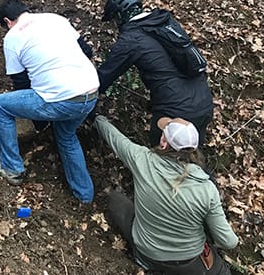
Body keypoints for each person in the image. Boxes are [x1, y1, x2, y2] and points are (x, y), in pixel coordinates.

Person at [0, 0, 100, 203]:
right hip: (91, 92)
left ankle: (12, 169)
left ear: (7, 21)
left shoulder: (12, 37)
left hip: (61, 99)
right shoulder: (55, 19)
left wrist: (38, 121)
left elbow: (21, 83)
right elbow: (87, 51)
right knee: (66, 136)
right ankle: (85, 197)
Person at [93, 115, 238, 274]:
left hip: (147, 253)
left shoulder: (142, 160)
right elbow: (228, 241)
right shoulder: (207, 189)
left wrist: (98, 119)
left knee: (116, 199)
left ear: (164, 143)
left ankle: (145, 263)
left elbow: (116, 139)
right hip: (188, 263)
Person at [98, 0, 213, 147]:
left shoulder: (130, 40)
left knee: (162, 163)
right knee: (192, 161)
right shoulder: (164, 22)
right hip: (203, 102)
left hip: (176, 112)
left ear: (119, 16)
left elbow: (104, 77)